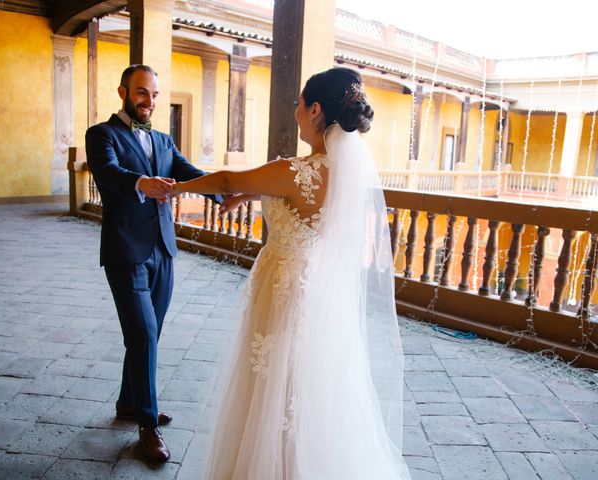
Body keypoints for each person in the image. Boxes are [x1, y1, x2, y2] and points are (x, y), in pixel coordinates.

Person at [169, 67, 411, 479]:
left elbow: (227, 176)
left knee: (272, 383)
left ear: (315, 110)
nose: (295, 110)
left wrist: (174, 188)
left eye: (298, 104)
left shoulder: (295, 170)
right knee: (302, 384)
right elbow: (293, 197)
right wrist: (250, 193)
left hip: (282, 287)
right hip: (313, 285)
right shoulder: (341, 172)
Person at [85, 64, 221, 463]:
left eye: (155, 94)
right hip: (125, 251)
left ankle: (130, 402)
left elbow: (188, 172)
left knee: (149, 334)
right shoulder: (101, 134)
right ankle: (147, 424)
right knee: (143, 334)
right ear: (123, 91)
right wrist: (141, 183)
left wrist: (221, 191)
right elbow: (108, 173)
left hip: (163, 249)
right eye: (142, 92)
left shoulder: (163, 139)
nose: (150, 101)